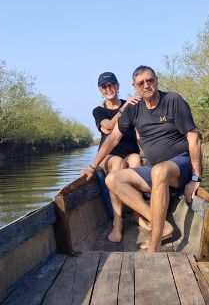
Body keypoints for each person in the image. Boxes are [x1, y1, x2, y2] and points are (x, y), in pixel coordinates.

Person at [79, 66, 202, 252]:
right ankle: (159, 223)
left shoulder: (173, 100)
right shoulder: (133, 108)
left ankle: (154, 246)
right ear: (134, 86)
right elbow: (113, 138)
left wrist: (195, 178)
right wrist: (92, 166)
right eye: (141, 83)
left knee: (159, 170)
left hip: (179, 165)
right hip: (154, 170)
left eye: (150, 80)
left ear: (156, 80)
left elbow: (193, 138)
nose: (146, 85)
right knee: (112, 179)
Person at [90, 72, 143, 221]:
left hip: (129, 152)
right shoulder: (99, 111)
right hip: (108, 156)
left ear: (117, 86)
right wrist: (124, 108)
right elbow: (108, 126)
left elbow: (138, 134)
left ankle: (137, 214)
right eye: (104, 86)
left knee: (136, 160)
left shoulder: (131, 106)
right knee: (118, 163)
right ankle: (117, 222)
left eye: (111, 85)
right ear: (100, 90)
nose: (108, 89)